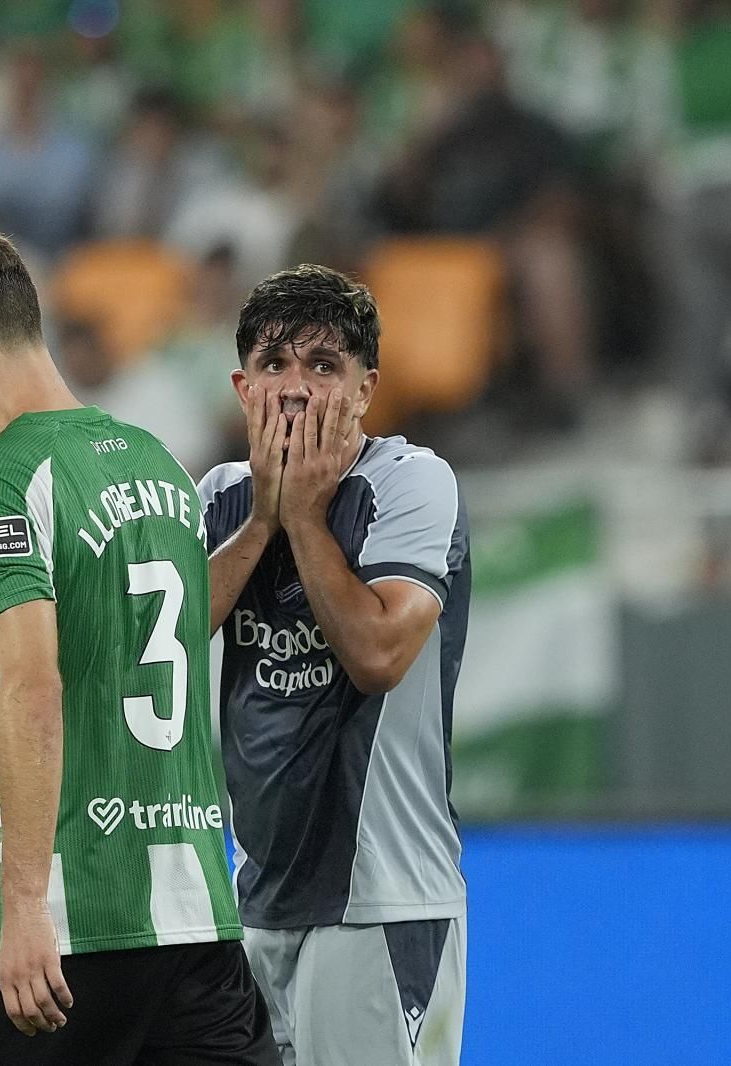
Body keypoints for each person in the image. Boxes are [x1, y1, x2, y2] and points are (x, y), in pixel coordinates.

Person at [0, 223, 278, 1066]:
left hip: (69, 929)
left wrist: (21, 900)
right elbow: (143, 653)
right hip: (195, 920)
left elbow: (30, 686)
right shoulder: (154, 461)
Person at [197, 265, 471, 1066]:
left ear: (364, 391)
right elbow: (164, 647)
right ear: (243, 388)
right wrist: (262, 522)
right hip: (254, 904)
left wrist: (306, 520)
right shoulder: (218, 497)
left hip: (382, 900)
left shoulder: (412, 485)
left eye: (323, 366)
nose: (295, 388)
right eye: (274, 364)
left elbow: (378, 655)